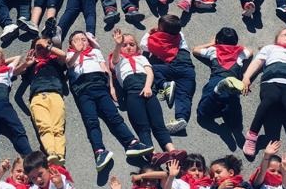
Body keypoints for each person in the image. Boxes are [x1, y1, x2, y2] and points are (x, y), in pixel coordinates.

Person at [64, 31, 150, 171]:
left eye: (84, 39)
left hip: (100, 86)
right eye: (77, 40)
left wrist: (111, 88)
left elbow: (106, 70)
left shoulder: (95, 52)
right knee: (91, 121)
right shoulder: (70, 54)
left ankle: (132, 143)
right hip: (83, 90)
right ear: (71, 44)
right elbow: (69, 64)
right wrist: (77, 52)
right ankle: (99, 152)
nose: (81, 42)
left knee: (114, 116)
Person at [241, 28, 286, 160]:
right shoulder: (270, 48)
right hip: (271, 81)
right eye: (284, 35)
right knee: (269, 100)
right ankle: (252, 136)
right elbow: (257, 62)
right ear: (277, 39)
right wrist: (246, 77)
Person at [110, 29, 174, 153]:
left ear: (137, 47)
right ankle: (152, 154)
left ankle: (172, 150)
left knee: (159, 124)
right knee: (142, 127)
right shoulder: (119, 60)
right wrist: (118, 44)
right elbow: (115, 58)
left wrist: (148, 87)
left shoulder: (141, 58)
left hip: (147, 89)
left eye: (132, 44)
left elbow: (150, 73)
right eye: (124, 45)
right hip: (132, 93)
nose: (128, 47)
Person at [140, 14, 197, 135]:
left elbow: (143, 45)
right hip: (188, 70)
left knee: (152, 69)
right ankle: (181, 118)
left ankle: (165, 84)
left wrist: (149, 33)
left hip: (172, 67)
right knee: (184, 96)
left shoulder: (158, 42)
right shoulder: (180, 37)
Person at [18, 39, 67, 165]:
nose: (43, 49)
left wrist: (47, 46)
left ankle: (60, 155)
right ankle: (51, 152)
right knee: (45, 127)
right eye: (39, 47)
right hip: (38, 97)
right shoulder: (31, 66)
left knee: (58, 128)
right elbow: (14, 73)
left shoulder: (55, 61)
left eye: (46, 46)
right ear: (33, 51)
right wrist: (26, 64)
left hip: (56, 95)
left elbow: (63, 55)